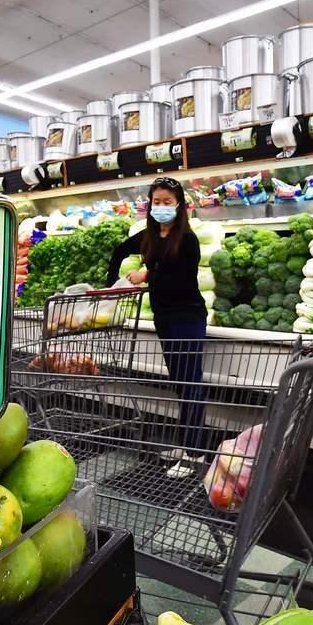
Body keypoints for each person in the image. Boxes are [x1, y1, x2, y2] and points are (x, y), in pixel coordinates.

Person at [108, 177, 208, 478]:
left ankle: (195, 453)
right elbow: (118, 251)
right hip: (164, 318)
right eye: (157, 202)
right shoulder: (148, 237)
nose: (161, 207)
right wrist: (111, 282)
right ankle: (189, 443)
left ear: (179, 205)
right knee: (180, 381)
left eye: (167, 202)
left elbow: (181, 280)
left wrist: (147, 275)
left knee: (191, 383)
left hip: (187, 317)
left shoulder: (187, 240)